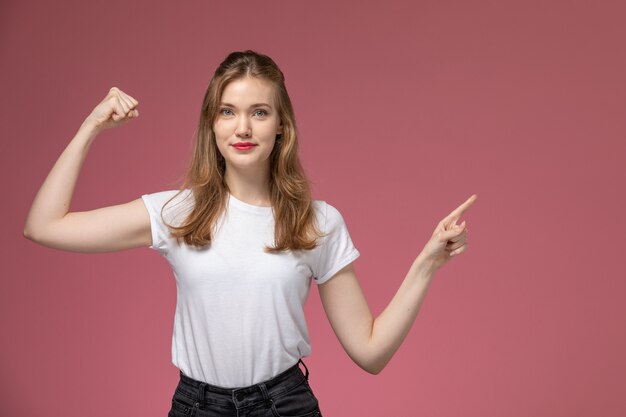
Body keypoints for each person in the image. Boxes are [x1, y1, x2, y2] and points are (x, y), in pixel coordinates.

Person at [23, 50, 476, 416]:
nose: (242, 127)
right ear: (212, 125)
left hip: (284, 405)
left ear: (281, 128)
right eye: (228, 112)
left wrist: (427, 264)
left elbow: (370, 352)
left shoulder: (317, 222)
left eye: (259, 112)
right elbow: (43, 226)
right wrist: (91, 127)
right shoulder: (176, 212)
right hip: (196, 406)